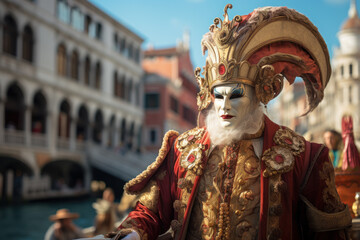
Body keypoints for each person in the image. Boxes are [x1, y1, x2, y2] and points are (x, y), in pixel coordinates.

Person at [109, 5, 352, 240]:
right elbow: (151, 213)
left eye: (236, 95)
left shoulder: (303, 157)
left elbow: (329, 233)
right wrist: (131, 235)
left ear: (260, 94)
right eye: (218, 96)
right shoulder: (182, 150)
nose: (224, 106)